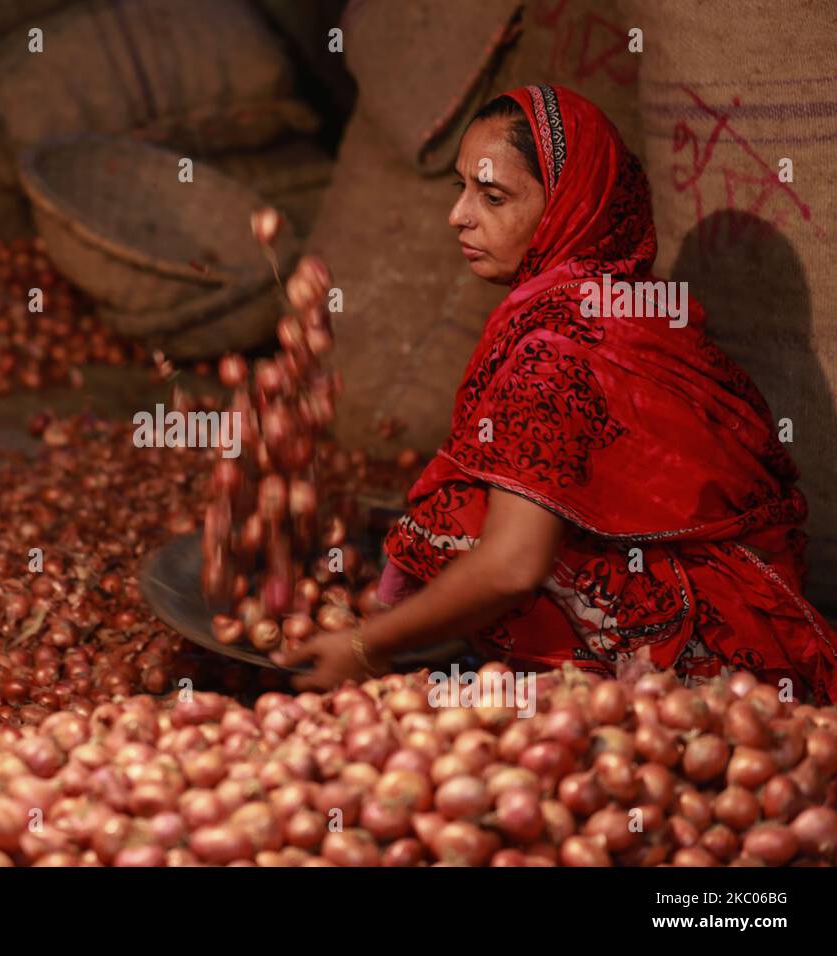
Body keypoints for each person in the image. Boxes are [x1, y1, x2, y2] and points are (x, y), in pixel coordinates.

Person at [276, 84, 837, 703]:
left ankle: (598, 687)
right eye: (460, 188)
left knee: (466, 518)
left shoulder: (555, 354)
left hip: (708, 666)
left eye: (493, 197)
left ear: (570, 207)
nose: (459, 215)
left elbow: (514, 565)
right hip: (742, 620)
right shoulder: (626, 309)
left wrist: (368, 645)